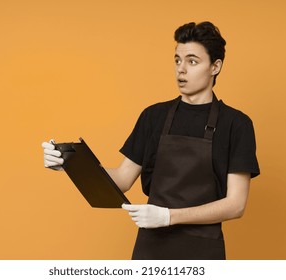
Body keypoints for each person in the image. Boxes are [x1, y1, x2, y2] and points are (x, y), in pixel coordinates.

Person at [42, 21, 260, 260]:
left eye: (192, 61)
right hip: (151, 249)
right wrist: (71, 164)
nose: (181, 69)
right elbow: (123, 179)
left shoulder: (236, 124)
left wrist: (168, 217)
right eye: (177, 60)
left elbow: (235, 205)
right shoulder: (154, 116)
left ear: (215, 67)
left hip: (203, 251)